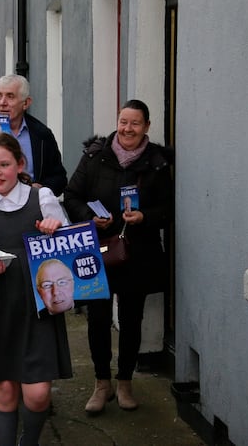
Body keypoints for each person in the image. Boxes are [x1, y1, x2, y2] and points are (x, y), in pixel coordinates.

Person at [0, 132, 72, 446]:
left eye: (4, 164)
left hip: (38, 302)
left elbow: (68, 249)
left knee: (37, 395)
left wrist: (56, 228)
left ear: (20, 164)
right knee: (5, 391)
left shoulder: (43, 197)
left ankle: (29, 440)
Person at [63, 99, 173, 414]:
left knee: (130, 319)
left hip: (138, 252)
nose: (127, 128)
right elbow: (71, 196)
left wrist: (145, 218)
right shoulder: (96, 156)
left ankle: (124, 381)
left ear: (146, 127)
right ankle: (102, 383)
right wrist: (88, 216)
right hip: (96, 250)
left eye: (135, 123)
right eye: (123, 122)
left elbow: (167, 209)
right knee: (97, 318)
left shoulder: (156, 163)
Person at [0, 74, 68, 196]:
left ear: (26, 103)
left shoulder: (42, 135)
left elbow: (59, 178)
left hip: (32, 206)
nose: (2, 103)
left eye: (10, 96)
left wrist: (41, 190)